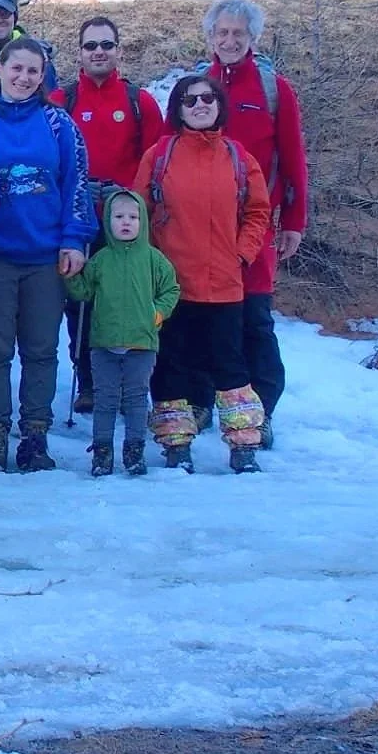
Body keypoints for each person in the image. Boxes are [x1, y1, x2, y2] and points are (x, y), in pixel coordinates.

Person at [0, 38, 95, 476]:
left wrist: (74, 238)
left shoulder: (60, 125)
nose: (23, 78)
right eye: (16, 68)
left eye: (33, 72)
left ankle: (35, 434)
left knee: (41, 348)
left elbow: (77, 183)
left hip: (45, 255)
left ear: (43, 77)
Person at [135, 75, 272, 474]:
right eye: (189, 99)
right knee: (171, 365)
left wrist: (242, 255)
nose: (199, 105)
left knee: (231, 367)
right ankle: (176, 444)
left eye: (207, 98)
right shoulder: (160, 155)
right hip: (171, 286)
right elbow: (137, 211)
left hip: (224, 285)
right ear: (177, 108)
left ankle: (243, 445)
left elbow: (258, 212)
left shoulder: (238, 156)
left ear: (219, 104)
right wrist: (152, 265)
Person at [189, 0, 308, 448]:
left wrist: (293, 220)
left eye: (239, 33)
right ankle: (199, 401)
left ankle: (260, 410)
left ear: (253, 38)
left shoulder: (274, 89)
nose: (230, 40)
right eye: (223, 33)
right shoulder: (197, 88)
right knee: (199, 315)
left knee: (254, 320)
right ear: (210, 38)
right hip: (199, 229)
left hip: (256, 227)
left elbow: (294, 158)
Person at [54, 16, 164, 415]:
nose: (98, 52)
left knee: (128, 302)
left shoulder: (139, 101)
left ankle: (131, 384)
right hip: (80, 220)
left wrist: (130, 195)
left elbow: (157, 161)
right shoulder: (62, 101)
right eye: (90, 46)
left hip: (125, 223)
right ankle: (88, 382)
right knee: (81, 303)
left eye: (106, 45)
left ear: (118, 49)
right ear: (79, 52)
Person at [63, 189, 181, 477]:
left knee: (136, 399)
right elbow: (84, 292)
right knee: (105, 399)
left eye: (132, 217)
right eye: (118, 217)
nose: (125, 222)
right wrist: (70, 276)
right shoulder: (101, 260)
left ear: (142, 221)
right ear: (107, 220)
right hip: (104, 343)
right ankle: (102, 450)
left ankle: (134, 449)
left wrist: (157, 313)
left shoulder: (154, 260)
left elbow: (171, 289)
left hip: (141, 343)